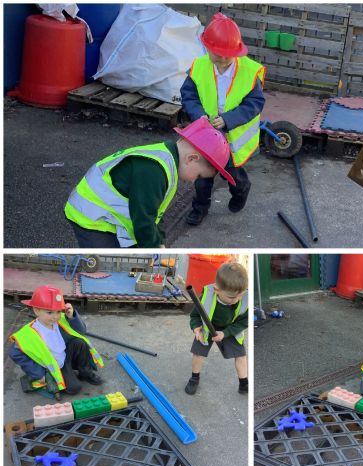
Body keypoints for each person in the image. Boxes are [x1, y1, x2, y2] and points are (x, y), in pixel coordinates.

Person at [64, 117, 233, 248]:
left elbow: (153, 214)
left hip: (105, 214)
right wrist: (154, 249)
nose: (193, 181)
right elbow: (143, 220)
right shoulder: (155, 171)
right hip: (90, 217)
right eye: (198, 176)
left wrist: (158, 241)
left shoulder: (165, 161)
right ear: (191, 159)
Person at [180, 13, 266, 226]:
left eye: (228, 55)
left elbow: (255, 103)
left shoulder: (249, 71)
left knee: (234, 176)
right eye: (218, 54)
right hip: (206, 133)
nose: (223, 59)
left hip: (232, 136)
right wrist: (199, 115)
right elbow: (189, 96)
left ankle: (241, 191)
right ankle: (199, 208)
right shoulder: (198, 67)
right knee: (202, 177)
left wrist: (228, 119)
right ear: (207, 48)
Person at [8, 285, 104, 395]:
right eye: (49, 312)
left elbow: (81, 331)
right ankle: (48, 377)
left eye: (58, 311)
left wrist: (72, 317)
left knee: (80, 343)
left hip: (65, 356)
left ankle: (85, 373)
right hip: (56, 365)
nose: (55, 316)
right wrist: (38, 374)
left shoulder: (61, 319)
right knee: (74, 388)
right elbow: (14, 353)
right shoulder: (29, 333)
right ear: (36, 310)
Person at [185, 262, 248, 395]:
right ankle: (194, 378)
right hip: (208, 327)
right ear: (217, 290)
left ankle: (244, 383)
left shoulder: (245, 298)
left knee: (241, 355)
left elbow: (244, 322)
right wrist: (196, 329)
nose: (236, 300)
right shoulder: (207, 295)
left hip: (231, 328)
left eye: (240, 295)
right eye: (231, 297)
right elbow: (195, 316)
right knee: (198, 352)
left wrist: (225, 333)